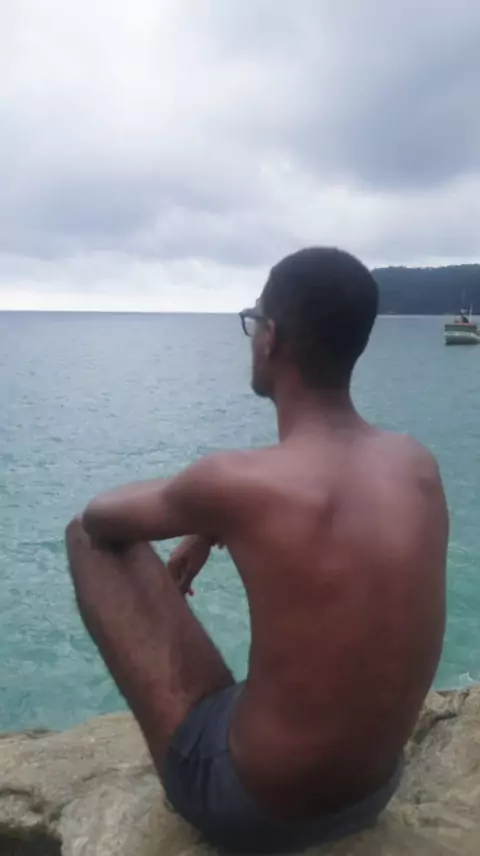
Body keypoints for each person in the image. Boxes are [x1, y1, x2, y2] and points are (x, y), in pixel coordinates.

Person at [65, 248, 448, 854]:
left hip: (254, 811)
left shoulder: (234, 481)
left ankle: (206, 768)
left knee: (82, 537)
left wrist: (201, 505)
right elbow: (319, 503)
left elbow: (100, 516)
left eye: (253, 320)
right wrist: (209, 523)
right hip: (372, 790)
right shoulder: (415, 465)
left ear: (270, 338)